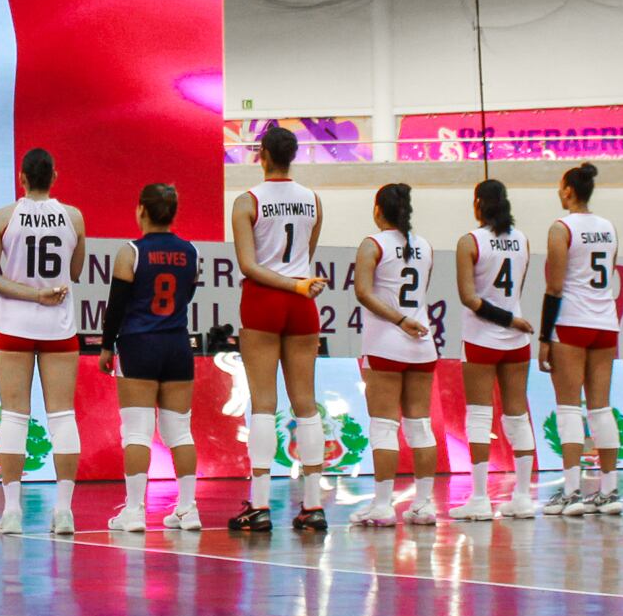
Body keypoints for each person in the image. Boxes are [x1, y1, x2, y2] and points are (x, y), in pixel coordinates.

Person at [0, 148, 85, 536]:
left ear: (22, 177)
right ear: (54, 176)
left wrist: (28, 292)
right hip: (58, 327)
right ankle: (64, 510)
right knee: (62, 415)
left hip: (15, 324)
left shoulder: (5, 217)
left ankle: (11, 511)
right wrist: (45, 293)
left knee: (13, 415)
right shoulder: (73, 217)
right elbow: (75, 270)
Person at [229, 126, 330, 532]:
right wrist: (298, 285)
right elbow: (307, 254)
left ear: (262, 155)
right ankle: (313, 504)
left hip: (264, 299)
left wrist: (288, 283)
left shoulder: (246, 202)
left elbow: (249, 266)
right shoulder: (313, 200)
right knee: (306, 404)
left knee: (264, 403)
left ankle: (259, 505)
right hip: (303, 301)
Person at [101, 184, 199, 533]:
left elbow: (116, 306)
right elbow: (186, 293)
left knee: (137, 433)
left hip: (138, 345)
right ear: (174, 212)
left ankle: (134, 511)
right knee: (180, 432)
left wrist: (105, 346)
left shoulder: (131, 252)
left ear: (141, 209)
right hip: (177, 345)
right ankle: (188, 509)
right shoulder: (190, 251)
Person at [350, 184, 439, 528]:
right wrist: (408, 318)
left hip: (385, 342)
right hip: (422, 342)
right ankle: (425, 504)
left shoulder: (373, 244)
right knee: (420, 425)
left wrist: (399, 320)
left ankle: (383, 505)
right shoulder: (426, 246)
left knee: (384, 426)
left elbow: (363, 292)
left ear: (378, 211)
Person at [538, 163, 623, 516]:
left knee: (569, 407)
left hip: (572, 322)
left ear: (569, 191)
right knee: (601, 407)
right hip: (606, 322)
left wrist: (545, 336)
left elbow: (555, 287)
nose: (559, 193)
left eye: (561, 188)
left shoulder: (562, 229)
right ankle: (610, 490)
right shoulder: (608, 227)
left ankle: (572, 492)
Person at [451, 178, 537, 522]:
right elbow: (516, 288)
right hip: (517, 340)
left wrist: (505, 320)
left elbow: (470, 298)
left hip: (482, 338)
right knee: (517, 415)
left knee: (479, 415)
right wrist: (513, 320)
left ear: (477, 205)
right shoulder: (522, 241)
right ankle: (522, 498)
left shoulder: (469, 242)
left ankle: (480, 497)